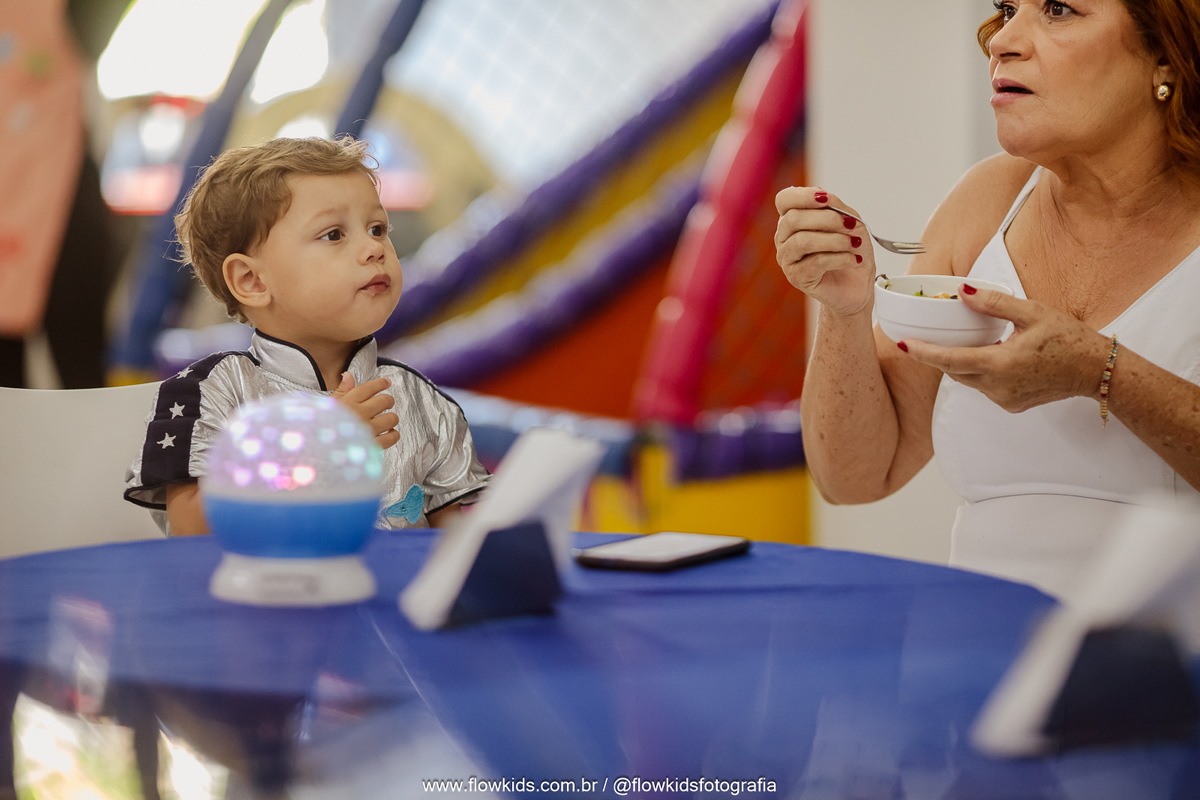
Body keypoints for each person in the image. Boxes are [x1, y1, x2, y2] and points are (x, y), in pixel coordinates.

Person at [774, 0, 1200, 601]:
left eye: (1058, 9)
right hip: (976, 642)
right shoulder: (986, 200)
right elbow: (856, 478)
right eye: (1007, 8)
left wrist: (1098, 371)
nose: (1002, 40)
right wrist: (845, 311)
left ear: (1166, 55)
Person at [125, 137, 489, 536]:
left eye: (377, 228)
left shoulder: (421, 399)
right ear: (251, 281)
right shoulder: (212, 392)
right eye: (333, 234)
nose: (374, 248)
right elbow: (192, 531)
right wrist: (316, 444)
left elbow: (453, 545)